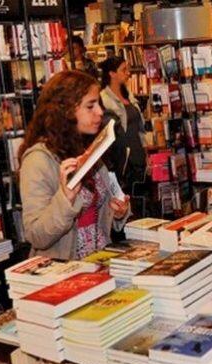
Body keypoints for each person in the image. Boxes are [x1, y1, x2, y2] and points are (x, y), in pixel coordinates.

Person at [19, 70, 130, 260]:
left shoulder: (86, 146)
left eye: (99, 104)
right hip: (66, 272)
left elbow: (98, 210)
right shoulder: (38, 161)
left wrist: (118, 211)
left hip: (101, 261)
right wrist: (65, 198)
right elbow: (36, 236)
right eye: (90, 106)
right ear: (66, 111)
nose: (100, 112)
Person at [99, 57, 147, 194]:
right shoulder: (104, 98)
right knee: (127, 194)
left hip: (138, 152)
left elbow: (139, 125)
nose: (128, 73)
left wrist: (145, 149)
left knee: (141, 195)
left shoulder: (128, 94)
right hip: (123, 157)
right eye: (123, 70)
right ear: (111, 73)